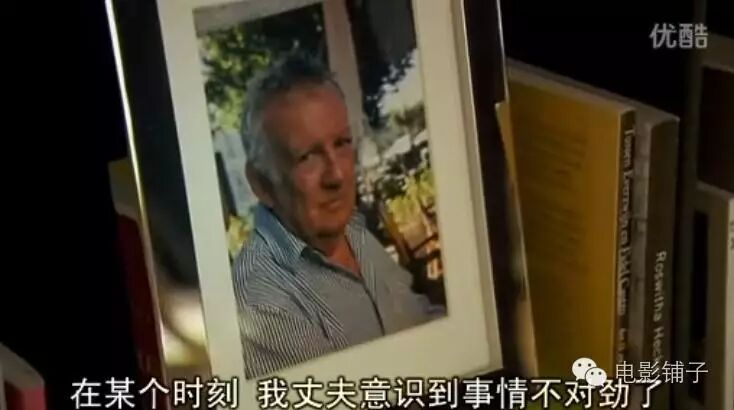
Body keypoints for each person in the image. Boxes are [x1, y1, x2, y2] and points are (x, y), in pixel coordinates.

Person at [232, 52, 445, 379]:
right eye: (307, 156)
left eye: (342, 143)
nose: (337, 175)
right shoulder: (259, 300)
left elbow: (418, 318)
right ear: (261, 183)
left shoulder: (351, 229)